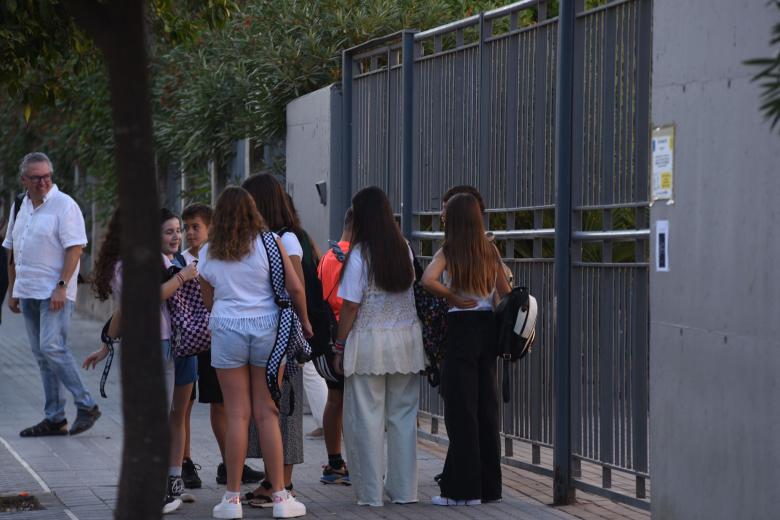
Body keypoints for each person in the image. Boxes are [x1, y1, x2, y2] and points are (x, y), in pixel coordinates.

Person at [198, 186, 310, 519]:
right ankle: (280, 497)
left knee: (237, 415)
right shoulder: (270, 243)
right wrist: (304, 321)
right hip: (267, 330)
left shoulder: (208, 251)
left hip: (227, 328)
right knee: (267, 413)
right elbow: (294, 287)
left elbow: (208, 300)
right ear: (252, 211)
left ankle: (231, 500)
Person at [83, 208, 201, 513]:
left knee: (174, 416)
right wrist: (183, 277)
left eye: (179, 230)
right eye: (169, 231)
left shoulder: (151, 261)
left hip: (175, 344)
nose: (177, 236)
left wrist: (106, 345)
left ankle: (170, 483)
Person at [332, 186, 426, 507]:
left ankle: (371, 494)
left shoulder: (359, 255)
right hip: (406, 342)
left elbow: (350, 307)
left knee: (367, 418)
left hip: (369, 343)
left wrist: (339, 344)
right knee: (402, 417)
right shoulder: (403, 247)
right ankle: (404, 491)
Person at [421, 193, 511, 506]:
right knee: (486, 409)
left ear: (455, 220)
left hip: (460, 330)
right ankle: (489, 488)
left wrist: (452, 296)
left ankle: (462, 490)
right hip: (487, 330)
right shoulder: (490, 250)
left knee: (461, 412)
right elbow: (506, 293)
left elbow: (427, 279)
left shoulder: (449, 250)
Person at [3, 152, 101, 437]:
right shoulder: (19, 205)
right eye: (37, 178)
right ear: (24, 180)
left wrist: (61, 286)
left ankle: (86, 404)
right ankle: (55, 418)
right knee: (41, 355)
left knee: (52, 347)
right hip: (28, 291)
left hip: (55, 292)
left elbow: (75, 248)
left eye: (47, 176)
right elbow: (11, 249)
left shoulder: (64, 205)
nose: (44, 182)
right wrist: (12, 290)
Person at [241, 173, 325, 502]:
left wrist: (303, 321)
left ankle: (284, 483)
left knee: (285, 406)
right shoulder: (269, 238)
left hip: (282, 333)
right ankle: (273, 480)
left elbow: (294, 286)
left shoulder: (286, 240)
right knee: (271, 406)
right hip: (267, 332)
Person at [315, 208, 353, 485]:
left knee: (334, 398)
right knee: (356, 403)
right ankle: (359, 462)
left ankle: (334, 461)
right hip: (350, 334)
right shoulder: (358, 255)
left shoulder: (328, 256)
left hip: (328, 336)